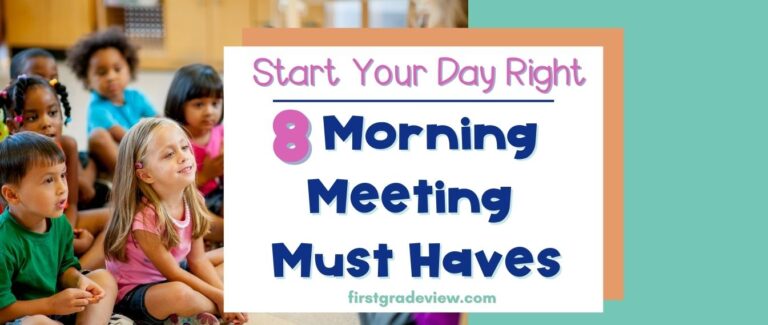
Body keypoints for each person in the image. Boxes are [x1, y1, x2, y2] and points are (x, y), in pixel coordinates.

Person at [103, 118, 244, 324]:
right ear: (145, 174)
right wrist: (220, 297)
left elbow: (198, 260)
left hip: (176, 272)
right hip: (136, 293)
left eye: (185, 147)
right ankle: (210, 308)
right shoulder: (144, 219)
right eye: (169, 154)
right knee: (180, 293)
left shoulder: (193, 199)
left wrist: (224, 296)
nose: (183, 156)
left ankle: (208, 308)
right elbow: (173, 273)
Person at [0, 132, 117, 324]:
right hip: (23, 317)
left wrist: (79, 281)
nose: (62, 188)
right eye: (48, 180)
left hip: (58, 307)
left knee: (104, 278)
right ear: (12, 194)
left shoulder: (59, 222)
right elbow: (2, 311)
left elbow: (65, 268)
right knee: (38, 322)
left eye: (62, 175)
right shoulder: (3, 242)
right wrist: (51, 305)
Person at [1, 74, 110, 270]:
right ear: (13, 126)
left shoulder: (66, 146)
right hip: (25, 231)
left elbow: (72, 203)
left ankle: (77, 273)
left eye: (52, 113)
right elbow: (12, 220)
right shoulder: (10, 159)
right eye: (33, 117)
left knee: (117, 220)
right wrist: (64, 242)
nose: (46, 123)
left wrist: (65, 236)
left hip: (60, 221)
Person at [66, 27, 156, 175]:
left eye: (117, 69)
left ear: (129, 68)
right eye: (102, 73)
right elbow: (122, 136)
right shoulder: (97, 108)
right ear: (88, 79)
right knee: (98, 136)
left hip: (138, 153)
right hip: (114, 162)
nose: (111, 77)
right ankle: (133, 182)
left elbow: (158, 119)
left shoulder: (136, 97)